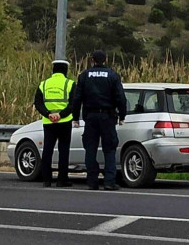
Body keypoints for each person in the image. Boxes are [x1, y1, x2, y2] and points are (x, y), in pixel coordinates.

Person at [71, 50, 127, 191]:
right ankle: (109, 181)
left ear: (92, 60)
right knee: (109, 149)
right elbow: (120, 97)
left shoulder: (84, 76)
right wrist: (122, 115)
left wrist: (75, 118)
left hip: (90, 117)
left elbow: (77, 99)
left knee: (90, 149)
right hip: (107, 117)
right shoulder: (113, 75)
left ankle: (92, 181)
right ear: (106, 60)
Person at [34, 59, 76, 188]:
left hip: (48, 122)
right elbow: (73, 104)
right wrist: (61, 115)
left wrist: (48, 114)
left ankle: (46, 180)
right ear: (65, 70)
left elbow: (38, 103)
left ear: (53, 70)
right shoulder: (70, 83)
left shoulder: (44, 84)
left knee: (47, 150)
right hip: (64, 122)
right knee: (63, 151)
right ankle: (62, 180)